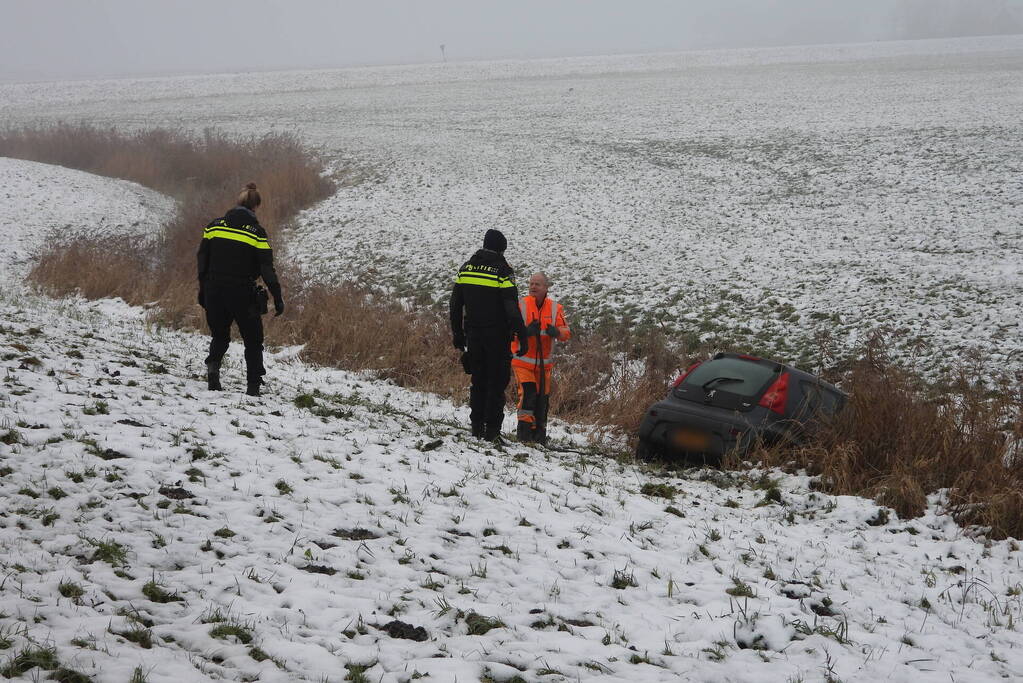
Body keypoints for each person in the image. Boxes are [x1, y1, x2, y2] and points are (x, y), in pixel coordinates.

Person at [197, 183, 284, 397]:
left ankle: (213, 372)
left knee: (220, 335)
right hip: (242, 292)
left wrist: (203, 288)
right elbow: (266, 269)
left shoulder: (214, 226)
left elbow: (202, 258)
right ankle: (253, 387)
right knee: (253, 341)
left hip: (213, 289)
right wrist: (278, 297)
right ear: (256, 207)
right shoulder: (257, 233)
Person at [450, 229, 526, 441]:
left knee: (478, 380)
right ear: (502, 249)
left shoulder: (466, 268)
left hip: (473, 335)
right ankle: (492, 431)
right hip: (498, 337)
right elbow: (511, 307)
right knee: (496, 382)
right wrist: (523, 334)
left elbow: (455, 304)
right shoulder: (502, 270)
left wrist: (457, 333)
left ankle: (476, 427)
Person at [511, 272, 571, 444]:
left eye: (537, 284)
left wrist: (557, 332)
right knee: (528, 394)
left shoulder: (555, 308)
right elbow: (509, 331)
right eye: (531, 283)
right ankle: (524, 435)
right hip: (522, 361)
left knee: (542, 400)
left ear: (546, 288)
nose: (533, 287)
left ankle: (539, 436)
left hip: (544, 365)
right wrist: (525, 332)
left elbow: (566, 333)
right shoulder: (521, 305)